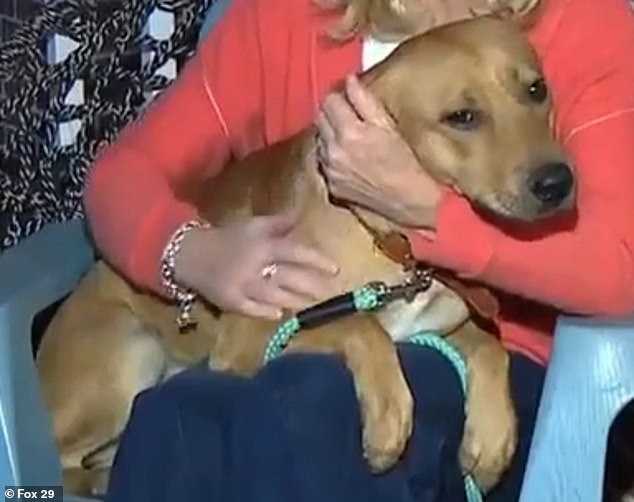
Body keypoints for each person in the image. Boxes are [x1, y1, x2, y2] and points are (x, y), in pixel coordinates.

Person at [86, 0, 634, 499]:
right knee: (174, 420)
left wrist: (426, 213)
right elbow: (119, 177)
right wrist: (193, 253)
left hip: (523, 373)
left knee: (311, 409)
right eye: (463, 118)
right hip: (305, 352)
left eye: (534, 92)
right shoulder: (286, 17)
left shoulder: (583, 20)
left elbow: (621, 269)